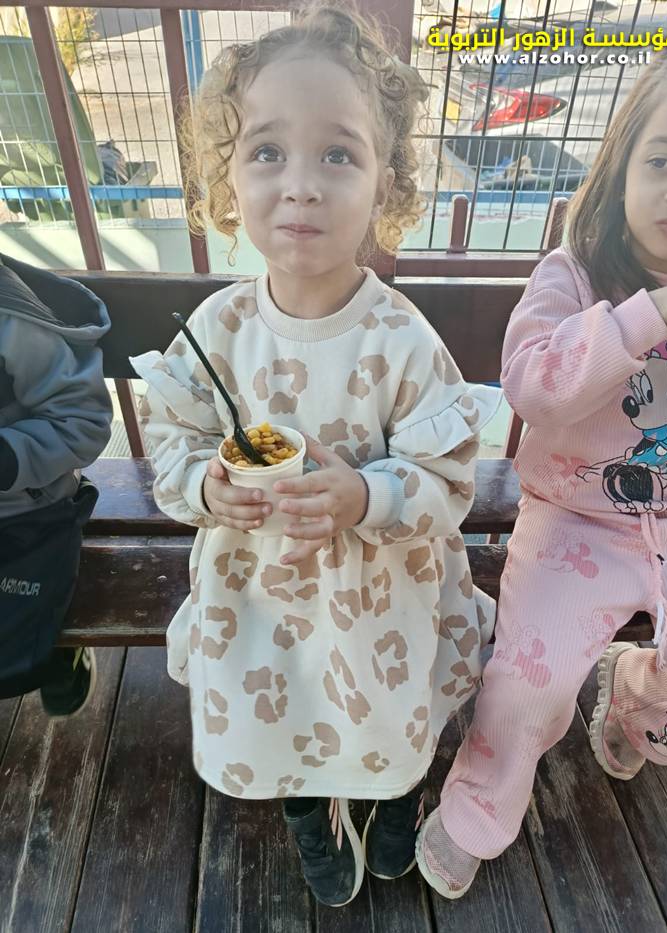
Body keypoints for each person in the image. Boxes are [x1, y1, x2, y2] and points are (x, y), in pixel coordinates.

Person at [130, 1, 499, 908]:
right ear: (228, 179)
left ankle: (395, 798)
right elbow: (172, 443)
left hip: (381, 601)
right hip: (260, 598)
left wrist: (366, 496)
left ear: (385, 184)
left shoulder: (402, 339)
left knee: (390, 714)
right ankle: (307, 810)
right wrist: (208, 485)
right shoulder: (216, 330)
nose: (300, 185)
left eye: (338, 154)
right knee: (284, 713)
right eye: (267, 151)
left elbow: (450, 475)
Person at [416, 29, 667, 899]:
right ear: (621, 166)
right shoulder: (571, 274)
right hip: (574, 518)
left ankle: (637, 694)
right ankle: (478, 807)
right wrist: (655, 314)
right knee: (527, 683)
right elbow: (532, 387)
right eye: (662, 160)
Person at [0, 252, 112, 716]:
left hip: (24, 508)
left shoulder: (11, 319)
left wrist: (8, 459)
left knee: (16, 645)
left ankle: (54, 650)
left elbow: (83, 424)